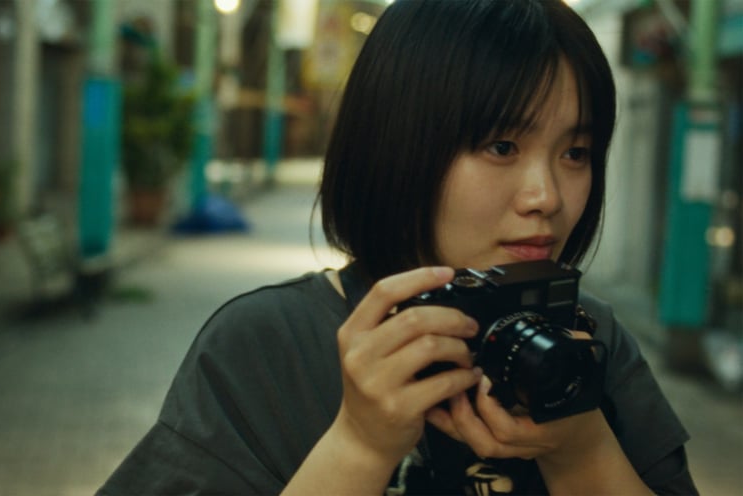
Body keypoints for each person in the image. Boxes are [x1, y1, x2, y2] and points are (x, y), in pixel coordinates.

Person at [98, 1, 698, 494]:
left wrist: (582, 451)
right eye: (501, 147)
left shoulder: (591, 338)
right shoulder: (266, 344)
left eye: (576, 152)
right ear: (398, 145)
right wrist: (359, 446)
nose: (547, 196)